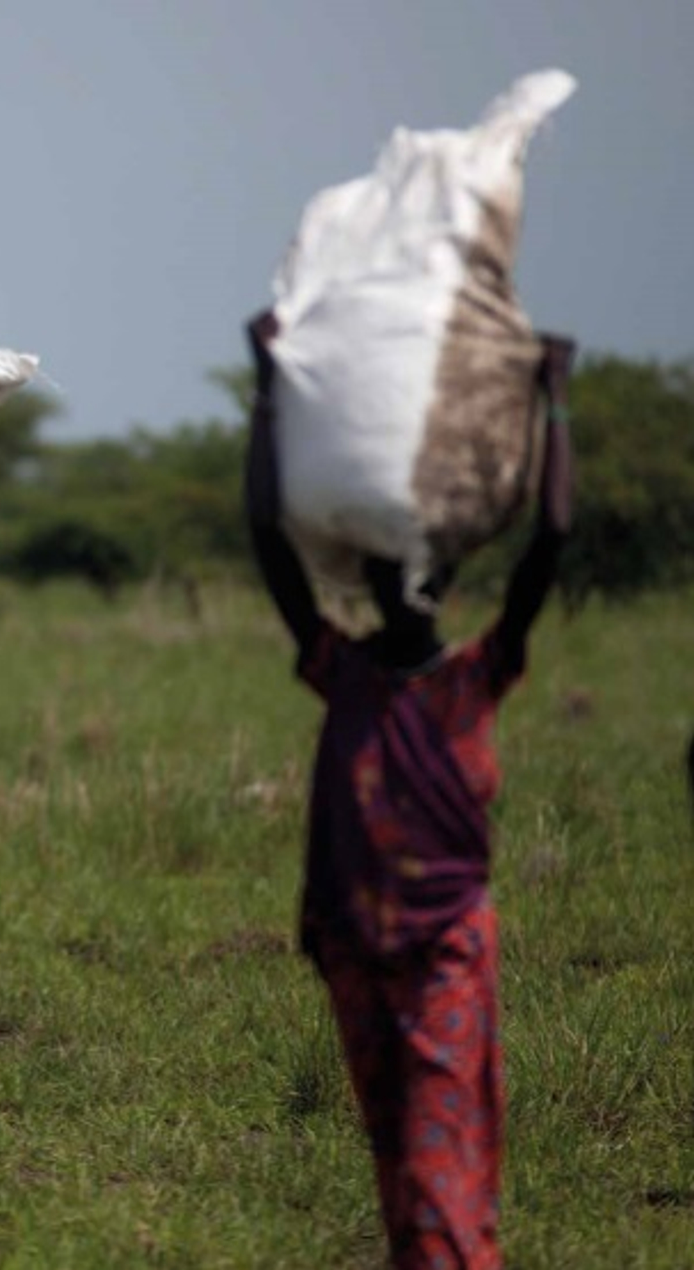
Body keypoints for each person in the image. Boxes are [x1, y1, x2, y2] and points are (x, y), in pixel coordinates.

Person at [245, 311, 574, 1269]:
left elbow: (551, 537)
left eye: (429, 566)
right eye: (397, 565)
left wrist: (553, 400)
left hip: (441, 958)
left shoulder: (480, 676)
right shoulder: (341, 671)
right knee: (402, 1176)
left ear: (450, 574)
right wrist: (269, 387)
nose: (413, 582)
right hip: (352, 948)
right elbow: (268, 535)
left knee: (437, 1186)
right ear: (376, 572)